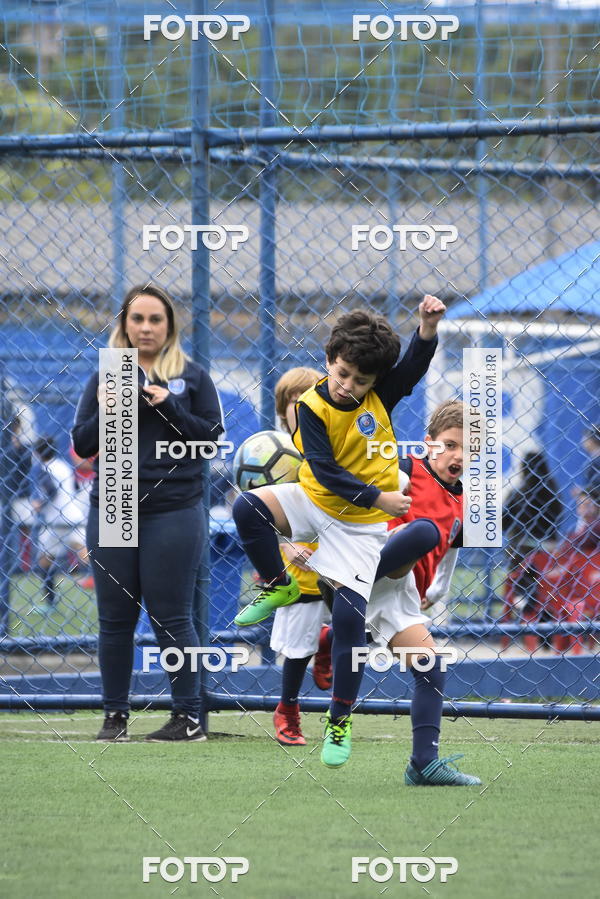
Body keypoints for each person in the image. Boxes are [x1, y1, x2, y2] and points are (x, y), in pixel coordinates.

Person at [233, 296, 445, 768]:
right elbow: (326, 473)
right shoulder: (309, 407)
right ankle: (279, 585)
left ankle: (339, 720)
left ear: (375, 382)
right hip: (316, 500)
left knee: (349, 621)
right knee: (249, 507)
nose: (348, 385)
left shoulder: (377, 398)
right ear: (330, 359)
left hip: (359, 528)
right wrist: (383, 498)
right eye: (342, 372)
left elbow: (410, 367)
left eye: (361, 380)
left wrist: (426, 329)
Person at [72, 284, 224, 743]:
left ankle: (187, 718)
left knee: (172, 617)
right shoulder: (107, 376)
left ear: (169, 327)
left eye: (155, 319)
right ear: (124, 324)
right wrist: (107, 409)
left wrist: (170, 405)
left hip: (173, 510)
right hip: (114, 504)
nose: (145, 328)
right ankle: (114, 718)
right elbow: (83, 444)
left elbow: (210, 439)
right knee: (115, 619)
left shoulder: (191, 376)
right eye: (136, 319)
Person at [364, 399, 480, 785]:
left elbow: (450, 550)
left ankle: (423, 764)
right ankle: (342, 609)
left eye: (468, 448)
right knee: (421, 531)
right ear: (428, 443)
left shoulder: (466, 501)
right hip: (369, 570)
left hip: (400, 596)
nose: (458, 455)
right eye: (449, 444)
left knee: (432, 668)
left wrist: (439, 590)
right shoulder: (403, 470)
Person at [270, 366, 332, 746]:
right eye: (296, 400)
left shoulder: (337, 442)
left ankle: (328, 646)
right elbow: (262, 505)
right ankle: (288, 710)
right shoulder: (272, 450)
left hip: (340, 553)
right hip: (299, 562)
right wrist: (284, 543)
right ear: (283, 409)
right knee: (296, 648)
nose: (304, 406)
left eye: (312, 397)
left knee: (365, 623)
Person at [30, 436, 88, 605]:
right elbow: (75, 487)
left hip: (56, 520)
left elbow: (50, 491)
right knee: (84, 553)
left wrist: (38, 503)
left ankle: (50, 601)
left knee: (44, 559)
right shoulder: (63, 465)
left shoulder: (42, 468)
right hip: (73, 515)